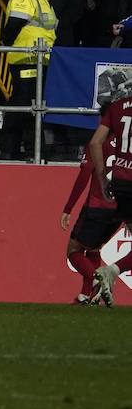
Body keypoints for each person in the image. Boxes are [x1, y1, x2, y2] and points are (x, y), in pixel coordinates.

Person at [0, 0, 59, 159]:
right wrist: (8, 44)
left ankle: (26, 150)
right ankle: (15, 151)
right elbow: (13, 26)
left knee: (30, 106)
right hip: (26, 59)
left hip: (40, 60)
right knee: (23, 106)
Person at [63, 118, 121, 304]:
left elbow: (84, 174)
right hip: (119, 209)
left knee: (74, 249)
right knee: (93, 248)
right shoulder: (126, 143)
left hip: (97, 206)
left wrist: (68, 207)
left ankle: (98, 278)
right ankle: (86, 296)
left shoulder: (98, 141)